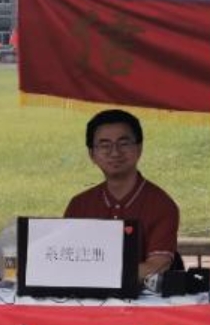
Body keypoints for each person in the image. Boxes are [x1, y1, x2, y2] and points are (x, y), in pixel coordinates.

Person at [63, 109, 179, 281]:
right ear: (92, 154)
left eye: (123, 143)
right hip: (85, 295)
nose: (115, 152)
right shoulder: (79, 204)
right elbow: (64, 261)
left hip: (140, 297)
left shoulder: (161, 205)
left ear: (139, 148)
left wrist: (97, 276)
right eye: (105, 145)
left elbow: (157, 266)